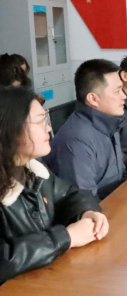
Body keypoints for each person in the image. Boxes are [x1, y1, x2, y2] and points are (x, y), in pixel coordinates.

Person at [0, 88, 109, 284]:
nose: (49, 128)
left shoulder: (33, 170)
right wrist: (66, 237)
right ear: (11, 129)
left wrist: (86, 212)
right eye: (40, 121)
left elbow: (70, 194)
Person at [44, 59, 127, 199]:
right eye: (117, 91)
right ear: (93, 99)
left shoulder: (109, 123)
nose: (124, 96)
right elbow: (83, 201)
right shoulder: (76, 141)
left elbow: (121, 174)